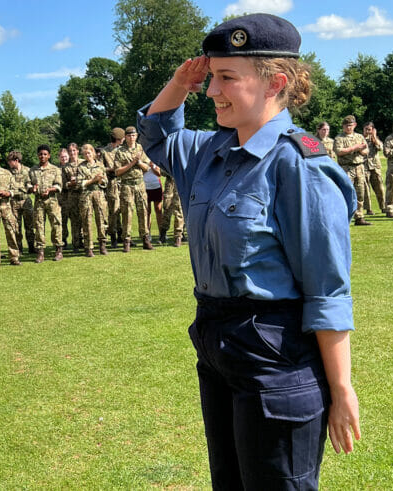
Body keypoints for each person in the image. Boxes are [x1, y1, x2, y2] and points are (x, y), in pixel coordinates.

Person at [138, 13, 360, 489]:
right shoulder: (210, 153)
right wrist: (180, 83)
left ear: (275, 83)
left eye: (226, 78)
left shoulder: (299, 165)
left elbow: (327, 288)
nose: (211, 91)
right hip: (217, 344)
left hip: (275, 358)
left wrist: (342, 388)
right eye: (211, 77)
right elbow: (156, 134)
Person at [115, 126, 154, 251]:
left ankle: (145, 239)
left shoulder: (141, 148)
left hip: (140, 184)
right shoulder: (120, 151)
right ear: (125, 137)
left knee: (143, 211)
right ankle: (126, 240)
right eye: (129, 135)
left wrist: (138, 162)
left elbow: (147, 168)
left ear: (136, 136)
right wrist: (132, 163)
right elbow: (117, 171)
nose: (131, 138)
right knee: (127, 213)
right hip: (127, 185)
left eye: (133, 135)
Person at [335, 115, 372, 226]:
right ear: (343, 126)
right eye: (346, 125)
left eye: (350, 125)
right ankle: (344, 217)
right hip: (346, 167)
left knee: (360, 193)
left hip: (359, 167)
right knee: (346, 192)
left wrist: (360, 150)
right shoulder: (339, 138)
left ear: (355, 125)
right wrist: (355, 148)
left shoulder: (359, 136)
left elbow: (366, 151)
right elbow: (339, 151)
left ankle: (359, 217)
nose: (348, 128)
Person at [29, 144, 64, 262]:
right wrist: (32, 188)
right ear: (37, 155)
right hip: (38, 201)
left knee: (56, 224)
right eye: (40, 154)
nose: (42, 156)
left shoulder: (55, 169)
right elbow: (28, 184)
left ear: (49, 156)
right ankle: (40, 252)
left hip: (52, 200)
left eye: (45, 154)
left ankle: (58, 250)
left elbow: (59, 185)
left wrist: (49, 190)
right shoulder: (33, 170)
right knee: (38, 225)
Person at [77, 143, 109, 256]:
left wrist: (100, 181)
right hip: (86, 195)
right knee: (87, 221)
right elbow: (80, 183)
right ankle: (88, 247)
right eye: (85, 153)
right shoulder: (81, 167)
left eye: (89, 153)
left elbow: (105, 181)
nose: (87, 155)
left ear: (93, 153)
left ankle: (102, 244)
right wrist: (93, 180)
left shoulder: (100, 165)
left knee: (102, 219)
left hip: (99, 194)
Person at [7, 150, 36, 254]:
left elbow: (31, 185)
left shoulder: (28, 171)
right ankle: (19, 249)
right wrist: (22, 188)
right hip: (14, 202)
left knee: (30, 226)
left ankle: (31, 247)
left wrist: (29, 188)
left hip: (26, 201)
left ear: (16, 160)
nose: (9, 163)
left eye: (10, 161)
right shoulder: (8, 173)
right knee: (16, 227)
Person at [102, 128, 125, 248]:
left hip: (123, 182)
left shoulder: (123, 150)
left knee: (123, 209)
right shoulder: (105, 152)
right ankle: (113, 236)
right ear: (118, 139)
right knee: (113, 211)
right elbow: (100, 167)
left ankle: (123, 235)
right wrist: (111, 169)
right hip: (112, 183)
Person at [64, 143, 84, 251]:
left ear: (78, 151)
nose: (72, 153)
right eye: (70, 151)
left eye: (74, 150)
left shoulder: (84, 163)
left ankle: (86, 242)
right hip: (72, 195)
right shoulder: (65, 167)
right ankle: (76, 243)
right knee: (75, 220)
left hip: (84, 193)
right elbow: (62, 184)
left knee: (85, 218)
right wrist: (70, 183)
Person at [362, 122, 385, 215]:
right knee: (366, 189)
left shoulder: (375, 139)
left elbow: (380, 148)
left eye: (370, 129)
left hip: (375, 166)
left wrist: (374, 137)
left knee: (379, 188)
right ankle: (368, 209)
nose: (368, 131)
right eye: (366, 129)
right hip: (364, 166)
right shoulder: (359, 139)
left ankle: (383, 207)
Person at [158, 172, 184, 247]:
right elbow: (162, 172)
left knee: (179, 210)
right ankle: (162, 234)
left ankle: (178, 237)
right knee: (166, 210)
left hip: (180, 184)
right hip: (169, 185)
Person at [144, 161, 164, 240]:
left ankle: (161, 233)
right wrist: (144, 166)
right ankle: (148, 234)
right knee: (147, 211)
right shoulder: (140, 158)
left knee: (158, 209)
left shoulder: (154, 158)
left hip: (156, 186)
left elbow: (159, 174)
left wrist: (152, 167)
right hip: (145, 186)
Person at [57, 147, 72, 248]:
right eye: (62, 157)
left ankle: (78, 240)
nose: (64, 158)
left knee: (76, 220)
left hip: (73, 196)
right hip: (61, 198)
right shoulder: (56, 169)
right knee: (62, 220)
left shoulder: (73, 166)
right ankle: (63, 240)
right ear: (59, 158)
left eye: (65, 156)